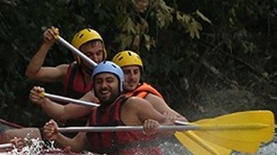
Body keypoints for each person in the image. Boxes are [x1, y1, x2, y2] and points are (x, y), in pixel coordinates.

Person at [41, 61, 177, 155]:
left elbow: (169, 126)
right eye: (99, 82)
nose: (104, 86)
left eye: (109, 81)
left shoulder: (133, 104)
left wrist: (156, 127)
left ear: (120, 84)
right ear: (94, 87)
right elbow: (76, 146)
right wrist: (56, 136)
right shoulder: (95, 114)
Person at [29, 50, 187, 124]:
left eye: (135, 72)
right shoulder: (99, 95)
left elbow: (181, 121)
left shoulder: (147, 98)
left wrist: (172, 120)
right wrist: (44, 100)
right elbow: (63, 113)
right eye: (126, 72)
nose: (132, 77)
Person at [25, 27, 107, 99]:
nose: (95, 59)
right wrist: (47, 44)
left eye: (99, 53)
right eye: (89, 55)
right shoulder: (67, 72)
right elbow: (32, 73)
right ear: (77, 56)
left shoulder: (111, 77)